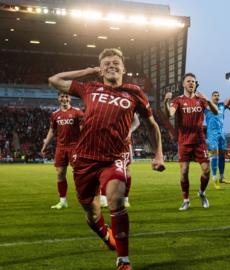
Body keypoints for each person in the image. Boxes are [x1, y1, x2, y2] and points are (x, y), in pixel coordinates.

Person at [48, 48, 165, 270]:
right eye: (107, 63)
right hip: (84, 159)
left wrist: (158, 153)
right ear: (101, 69)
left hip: (114, 158)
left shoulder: (134, 92)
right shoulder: (89, 88)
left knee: (116, 200)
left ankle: (123, 261)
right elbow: (54, 80)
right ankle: (105, 234)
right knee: (91, 213)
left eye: (116, 63)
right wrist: (88, 70)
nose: (112, 65)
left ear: (124, 68)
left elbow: (151, 125)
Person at [164, 73, 218, 211]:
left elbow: (216, 112)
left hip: (200, 141)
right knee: (184, 172)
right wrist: (165, 102)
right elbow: (169, 113)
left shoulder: (201, 100)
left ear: (195, 83)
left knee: (206, 171)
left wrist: (208, 100)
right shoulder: (178, 100)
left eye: (193, 81)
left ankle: (201, 193)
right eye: (188, 81)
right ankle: (186, 200)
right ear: (183, 84)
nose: (191, 83)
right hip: (184, 141)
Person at [41, 93, 83, 209]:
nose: (64, 99)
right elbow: (52, 130)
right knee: (60, 174)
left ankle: (84, 198)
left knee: (79, 174)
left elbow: (83, 129)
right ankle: (63, 201)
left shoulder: (77, 112)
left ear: (70, 98)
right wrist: (45, 145)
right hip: (61, 148)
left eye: (66, 97)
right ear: (58, 99)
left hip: (75, 147)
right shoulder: (55, 114)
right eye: (62, 97)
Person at [205, 80, 230, 189]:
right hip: (212, 135)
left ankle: (222, 177)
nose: (217, 97)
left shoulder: (222, 105)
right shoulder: (207, 107)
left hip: (221, 135)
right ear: (211, 97)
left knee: (221, 157)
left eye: (218, 95)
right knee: (214, 157)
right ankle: (214, 179)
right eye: (214, 95)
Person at [100, 113, 140, 208]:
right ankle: (103, 197)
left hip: (124, 142)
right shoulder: (104, 103)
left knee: (126, 170)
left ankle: (125, 198)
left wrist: (129, 131)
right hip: (107, 140)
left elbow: (136, 121)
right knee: (105, 168)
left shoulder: (127, 102)